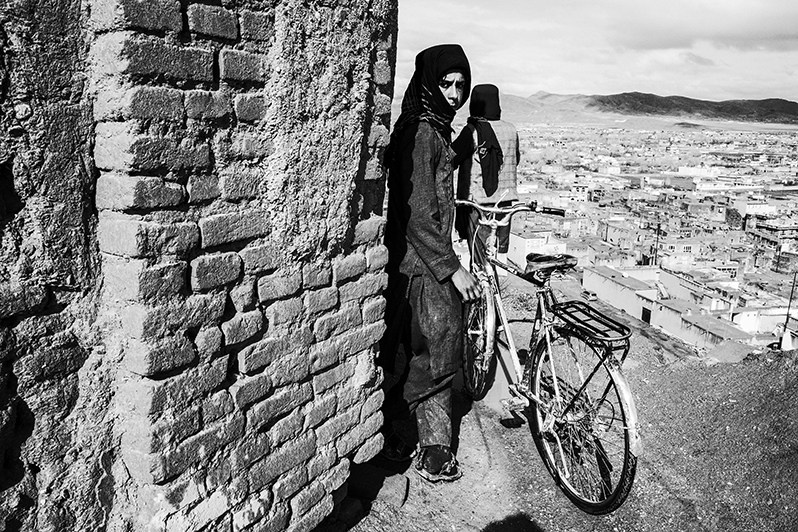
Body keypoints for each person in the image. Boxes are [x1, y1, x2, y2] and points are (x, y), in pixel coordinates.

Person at [378, 44, 481, 483]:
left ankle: (412, 433)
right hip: (421, 261)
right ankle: (427, 442)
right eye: (448, 84)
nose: (456, 94)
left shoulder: (432, 130)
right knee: (437, 343)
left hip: (421, 259)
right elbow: (419, 213)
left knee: (416, 346)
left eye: (462, 85)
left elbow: (436, 170)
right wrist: (453, 267)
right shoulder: (421, 132)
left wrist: (464, 141)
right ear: (430, 83)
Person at [453, 84, 520, 267]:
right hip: (505, 204)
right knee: (496, 258)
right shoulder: (511, 130)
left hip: (478, 204)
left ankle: (483, 295)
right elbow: (516, 159)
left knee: (480, 261)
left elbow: (451, 159)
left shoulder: (472, 131)